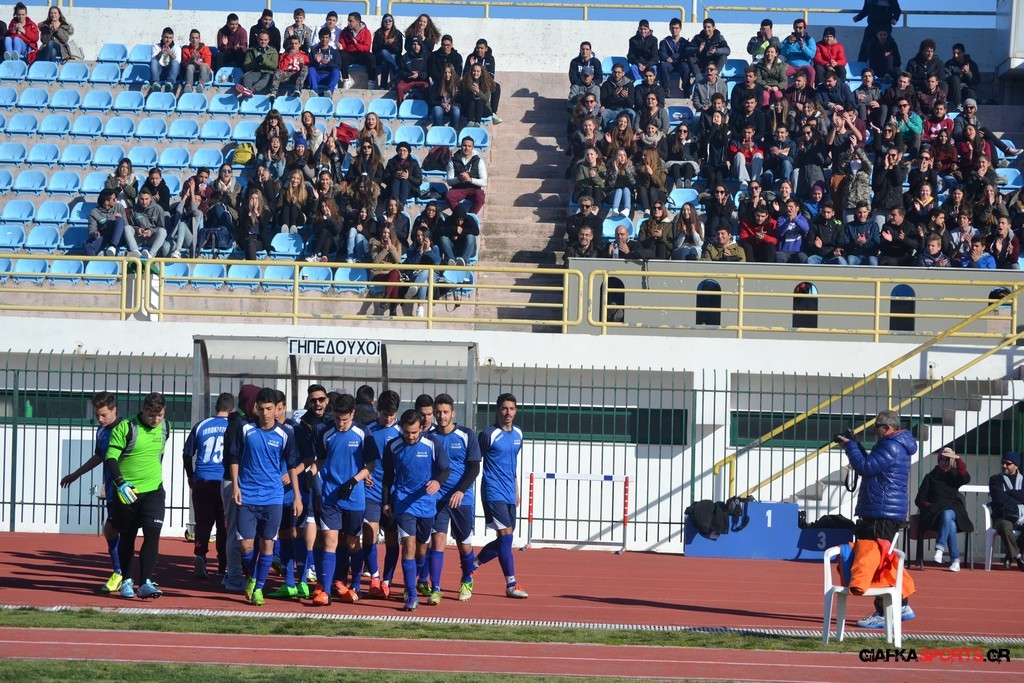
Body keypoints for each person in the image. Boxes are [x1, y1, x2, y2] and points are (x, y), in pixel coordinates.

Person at [836, 410, 917, 628]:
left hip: (882, 512)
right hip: (881, 511)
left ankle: (886, 611)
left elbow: (865, 467)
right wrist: (855, 445)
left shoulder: (891, 446)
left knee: (878, 562)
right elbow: (870, 464)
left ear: (888, 427)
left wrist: (851, 447)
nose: (875, 431)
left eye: (877, 427)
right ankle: (901, 604)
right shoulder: (893, 445)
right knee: (881, 560)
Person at [228, 387, 302, 606]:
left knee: (268, 544)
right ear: (256, 408)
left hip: (273, 498)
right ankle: (252, 575)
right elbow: (233, 457)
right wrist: (235, 486)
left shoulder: (285, 434)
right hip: (247, 495)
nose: (266, 413)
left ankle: (258, 588)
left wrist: (297, 496)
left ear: (276, 409)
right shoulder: (245, 429)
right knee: (246, 546)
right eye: (262, 409)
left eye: (269, 409)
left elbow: (292, 465)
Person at [380, 409, 449, 611]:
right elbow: (388, 476)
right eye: (406, 432)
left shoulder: (432, 444)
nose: (410, 436)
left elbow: (445, 469)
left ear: (421, 428)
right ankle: (411, 594)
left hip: (426, 504)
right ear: (401, 429)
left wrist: (437, 481)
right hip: (404, 504)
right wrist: (386, 502)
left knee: (421, 550)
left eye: (414, 432)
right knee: (408, 546)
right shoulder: (393, 446)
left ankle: (417, 578)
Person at [309, 394, 375, 605]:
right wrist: (311, 473)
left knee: (352, 542)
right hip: (330, 497)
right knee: (330, 541)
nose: (340, 423)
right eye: (337, 418)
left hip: (355, 498)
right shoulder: (325, 432)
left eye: (344, 419)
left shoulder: (363, 433)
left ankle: (355, 585)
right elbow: (320, 460)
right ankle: (325, 591)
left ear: (353, 414)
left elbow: (371, 465)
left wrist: (353, 481)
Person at [105, 392, 170, 599]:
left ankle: (145, 583)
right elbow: (110, 457)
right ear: (143, 410)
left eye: (159, 415)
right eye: (151, 415)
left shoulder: (166, 427)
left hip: (154, 491)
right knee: (127, 537)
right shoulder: (126, 428)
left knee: (153, 534)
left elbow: (157, 455)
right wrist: (120, 483)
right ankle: (126, 580)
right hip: (128, 493)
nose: (156, 419)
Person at [59, 392, 125, 594]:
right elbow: (99, 456)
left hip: (130, 489)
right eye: (97, 415)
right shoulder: (101, 431)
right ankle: (123, 574)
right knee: (113, 530)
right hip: (112, 490)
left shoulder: (127, 429)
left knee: (118, 530)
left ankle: (129, 574)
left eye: (104, 415)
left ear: (115, 410)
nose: (100, 419)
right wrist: (76, 474)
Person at [473, 394, 528, 599]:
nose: (508, 412)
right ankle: (511, 584)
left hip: (509, 493)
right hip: (493, 491)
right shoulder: (488, 434)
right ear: (497, 410)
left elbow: (512, 464)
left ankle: (472, 564)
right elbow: (474, 461)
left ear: (516, 411)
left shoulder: (519, 434)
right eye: (504, 408)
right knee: (506, 536)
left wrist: (516, 489)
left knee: (505, 539)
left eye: (512, 408)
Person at [183, 393, 232, 579]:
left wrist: (190, 475)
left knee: (203, 522)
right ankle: (222, 565)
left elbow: (187, 454)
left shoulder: (201, 425)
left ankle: (200, 554)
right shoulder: (234, 425)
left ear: (216, 408)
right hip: (223, 480)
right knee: (224, 525)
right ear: (232, 409)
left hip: (202, 478)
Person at [360, 390, 401, 597]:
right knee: (370, 532)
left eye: (392, 415)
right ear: (378, 410)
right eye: (385, 414)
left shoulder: (403, 432)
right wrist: (363, 472)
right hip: (371, 491)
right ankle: (374, 577)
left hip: (393, 495)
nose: (388, 419)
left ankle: (387, 580)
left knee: (392, 539)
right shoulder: (368, 430)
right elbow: (358, 456)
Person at [914, 447, 972, 572]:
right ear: (938, 460)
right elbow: (919, 499)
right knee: (950, 524)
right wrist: (931, 507)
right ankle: (955, 560)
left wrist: (958, 458)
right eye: (942, 460)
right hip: (935, 515)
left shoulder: (954, 474)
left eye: (947, 460)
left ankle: (939, 548)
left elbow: (965, 478)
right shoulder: (930, 477)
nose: (944, 463)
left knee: (947, 514)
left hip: (954, 510)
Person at [990, 452, 1024, 571]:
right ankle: (1018, 558)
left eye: (1008, 464)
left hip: (1021, 516)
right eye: (1003, 463)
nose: (1004, 466)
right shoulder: (995, 479)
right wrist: (1018, 497)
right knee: (1005, 527)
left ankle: (1009, 555)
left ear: (1016, 466)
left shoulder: (1023, 480)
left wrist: (1010, 492)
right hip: (1002, 516)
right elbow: (999, 499)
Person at [446, 136, 487, 214]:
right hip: (458, 189)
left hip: (474, 189)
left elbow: (484, 182)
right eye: (465, 145)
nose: (467, 148)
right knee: (449, 195)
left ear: (472, 147)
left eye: (469, 146)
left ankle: (470, 217)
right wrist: (459, 179)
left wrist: (470, 180)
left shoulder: (479, 161)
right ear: (461, 146)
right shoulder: (453, 160)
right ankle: (459, 215)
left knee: (480, 197)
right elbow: (449, 182)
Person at [124, 188, 168, 259]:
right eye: (142, 199)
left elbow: (161, 227)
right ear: (138, 198)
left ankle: (150, 255)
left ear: (150, 198)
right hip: (139, 238)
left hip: (152, 239)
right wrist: (138, 229)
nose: (144, 202)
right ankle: (135, 252)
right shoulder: (133, 209)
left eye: (146, 199)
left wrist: (151, 231)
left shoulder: (158, 209)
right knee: (127, 228)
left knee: (163, 231)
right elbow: (132, 225)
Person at [339, 12, 375, 90]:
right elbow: (343, 45)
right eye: (348, 21)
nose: (349, 23)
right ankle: (346, 80)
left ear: (357, 22)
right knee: (341, 55)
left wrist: (356, 45)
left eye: (351, 21)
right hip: (349, 54)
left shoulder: (366, 32)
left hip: (361, 55)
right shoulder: (344, 32)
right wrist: (341, 47)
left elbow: (367, 48)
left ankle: (371, 81)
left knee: (371, 57)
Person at [86, 189, 126, 257]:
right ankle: (93, 263)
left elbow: (126, 226)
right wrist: (94, 234)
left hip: (119, 237)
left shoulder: (119, 207)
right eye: (114, 199)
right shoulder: (94, 213)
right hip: (104, 237)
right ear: (107, 202)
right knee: (87, 245)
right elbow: (91, 231)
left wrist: (119, 218)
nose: (116, 200)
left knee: (120, 220)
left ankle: (113, 246)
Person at [238, 30, 279, 97]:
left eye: (265, 40)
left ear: (268, 40)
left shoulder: (273, 51)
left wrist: (263, 61)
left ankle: (251, 90)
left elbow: (274, 65)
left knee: (265, 79)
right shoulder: (251, 50)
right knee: (247, 77)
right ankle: (247, 90)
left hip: (268, 72)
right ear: (258, 39)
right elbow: (246, 65)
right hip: (255, 71)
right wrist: (255, 62)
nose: (263, 42)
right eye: (261, 40)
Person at [659, 18, 692, 98]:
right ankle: (666, 90)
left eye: (676, 28)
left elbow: (684, 54)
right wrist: (666, 58)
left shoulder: (685, 42)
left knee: (686, 67)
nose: (674, 30)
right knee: (664, 66)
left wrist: (673, 57)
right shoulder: (664, 41)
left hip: (680, 63)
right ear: (669, 28)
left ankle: (686, 89)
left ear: (680, 29)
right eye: (672, 28)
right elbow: (661, 52)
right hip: (669, 64)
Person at [269, 36, 309, 100]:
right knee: (277, 71)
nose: (294, 45)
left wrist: (301, 65)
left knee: (305, 68)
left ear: (299, 45)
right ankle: (273, 93)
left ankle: (297, 90)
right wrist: (289, 56)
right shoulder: (284, 55)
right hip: (286, 75)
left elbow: (306, 70)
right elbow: (281, 68)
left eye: (296, 43)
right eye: (292, 44)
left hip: (296, 76)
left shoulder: (304, 56)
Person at [780, 18, 816, 88]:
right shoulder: (788, 39)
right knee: (783, 71)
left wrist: (803, 46)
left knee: (811, 71)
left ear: (804, 28)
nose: (798, 30)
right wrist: (788, 43)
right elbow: (782, 53)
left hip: (804, 65)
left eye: (800, 28)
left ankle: (809, 92)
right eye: (796, 27)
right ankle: (784, 92)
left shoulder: (809, 39)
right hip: (790, 65)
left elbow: (812, 55)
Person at [383, 142, 422, 207]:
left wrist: (408, 177)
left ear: (408, 152)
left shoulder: (414, 163)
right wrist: (394, 175)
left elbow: (419, 181)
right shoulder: (391, 162)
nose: (402, 152)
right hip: (393, 188)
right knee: (395, 180)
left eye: (404, 150)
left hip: (409, 191)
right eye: (400, 150)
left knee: (405, 181)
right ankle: (394, 205)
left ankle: (400, 207)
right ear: (397, 151)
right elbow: (384, 178)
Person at [599, 63, 635, 130]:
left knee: (632, 113)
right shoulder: (606, 84)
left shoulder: (629, 85)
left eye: (619, 72)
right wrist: (613, 96)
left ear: (623, 73)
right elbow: (603, 102)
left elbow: (631, 104)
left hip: (624, 109)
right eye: (614, 72)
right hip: (611, 110)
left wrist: (626, 97)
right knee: (604, 113)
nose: (616, 75)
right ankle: (605, 133)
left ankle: (631, 133)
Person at [945, 43, 980, 111]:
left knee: (971, 93)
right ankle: (958, 105)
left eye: (958, 53)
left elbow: (976, 81)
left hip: (965, 90)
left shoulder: (971, 64)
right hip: (952, 91)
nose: (956, 55)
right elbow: (946, 78)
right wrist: (960, 74)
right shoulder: (949, 64)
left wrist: (968, 73)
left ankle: (971, 112)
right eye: (954, 53)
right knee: (955, 78)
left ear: (963, 53)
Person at [372, 14, 403, 89]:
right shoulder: (378, 33)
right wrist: (384, 44)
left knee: (385, 61)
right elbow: (374, 50)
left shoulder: (397, 34)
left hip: (393, 57)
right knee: (384, 52)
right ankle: (397, 72)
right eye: (385, 21)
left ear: (392, 22)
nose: (387, 22)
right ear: (382, 22)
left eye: (390, 21)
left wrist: (391, 44)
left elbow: (399, 51)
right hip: (380, 56)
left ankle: (383, 86)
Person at [181, 29, 213, 94]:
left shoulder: (205, 49)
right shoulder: (186, 49)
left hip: (204, 75)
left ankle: (201, 86)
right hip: (191, 75)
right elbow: (185, 65)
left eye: (196, 38)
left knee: (203, 67)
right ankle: (188, 86)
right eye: (192, 38)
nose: (194, 40)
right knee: (190, 66)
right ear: (189, 39)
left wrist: (196, 62)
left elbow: (207, 65)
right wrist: (191, 59)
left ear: (199, 39)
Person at [149, 27, 181, 94]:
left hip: (171, 72)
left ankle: (170, 83)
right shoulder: (156, 46)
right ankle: (156, 83)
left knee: (175, 62)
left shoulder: (176, 47)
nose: (168, 40)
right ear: (162, 37)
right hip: (160, 72)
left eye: (170, 38)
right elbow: (154, 59)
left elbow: (178, 61)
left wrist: (170, 53)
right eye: (166, 37)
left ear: (173, 38)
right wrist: (161, 52)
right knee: (153, 61)